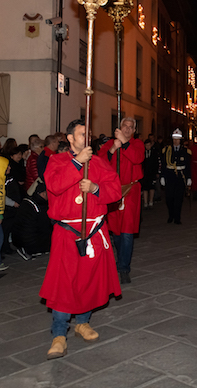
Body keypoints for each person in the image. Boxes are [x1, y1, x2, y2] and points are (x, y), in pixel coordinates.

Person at [39, 119, 122, 360]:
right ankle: (58, 334)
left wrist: (96, 189)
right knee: (64, 283)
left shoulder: (100, 163)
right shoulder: (57, 161)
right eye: (81, 134)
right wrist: (77, 163)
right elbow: (53, 186)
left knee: (89, 280)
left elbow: (115, 192)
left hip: (94, 231)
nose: (87, 137)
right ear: (70, 139)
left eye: (89, 133)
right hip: (68, 232)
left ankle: (83, 323)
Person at [100, 117, 144, 284]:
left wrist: (124, 143)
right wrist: (112, 148)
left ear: (134, 131)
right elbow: (100, 163)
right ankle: (119, 259)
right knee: (115, 230)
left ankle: (124, 267)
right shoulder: (110, 144)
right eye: (124, 126)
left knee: (127, 231)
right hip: (112, 191)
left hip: (130, 192)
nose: (127, 129)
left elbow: (137, 158)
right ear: (119, 128)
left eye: (130, 127)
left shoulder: (137, 144)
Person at [160, 129, 192, 225]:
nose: (176, 141)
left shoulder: (186, 151)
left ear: (180, 140)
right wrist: (162, 176)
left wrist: (189, 178)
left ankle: (177, 217)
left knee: (178, 198)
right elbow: (164, 164)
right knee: (169, 198)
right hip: (170, 175)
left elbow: (188, 165)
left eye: (178, 139)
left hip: (180, 176)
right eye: (174, 139)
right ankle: (171, 215)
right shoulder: (166, 150)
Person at [140, 139, 160, 209]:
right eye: (146, 145)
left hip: (152, 172)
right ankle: (145, 202)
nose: (148, 147)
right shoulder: (143, 153)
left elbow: (157, 163)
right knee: (145, 188)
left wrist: (157, 172)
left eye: (149, 145)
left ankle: (151, 201)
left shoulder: (154, 153)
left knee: (152, 187)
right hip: (145, 173)